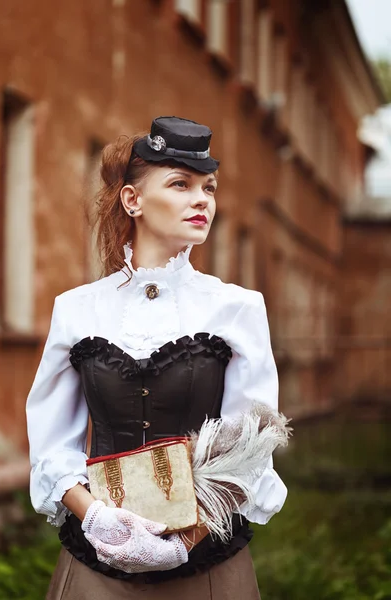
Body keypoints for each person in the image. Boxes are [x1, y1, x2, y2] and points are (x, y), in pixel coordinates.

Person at [26, 116, 288, 599]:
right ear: (133, 200)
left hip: (206, 567)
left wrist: (183, 541)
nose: (202, 200)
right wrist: (98, 518)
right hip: (95, 569)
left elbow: (247, 451)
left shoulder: (237, 308)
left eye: (208, 187)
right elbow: (51, 446)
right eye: (181, 184)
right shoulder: (77, 309)